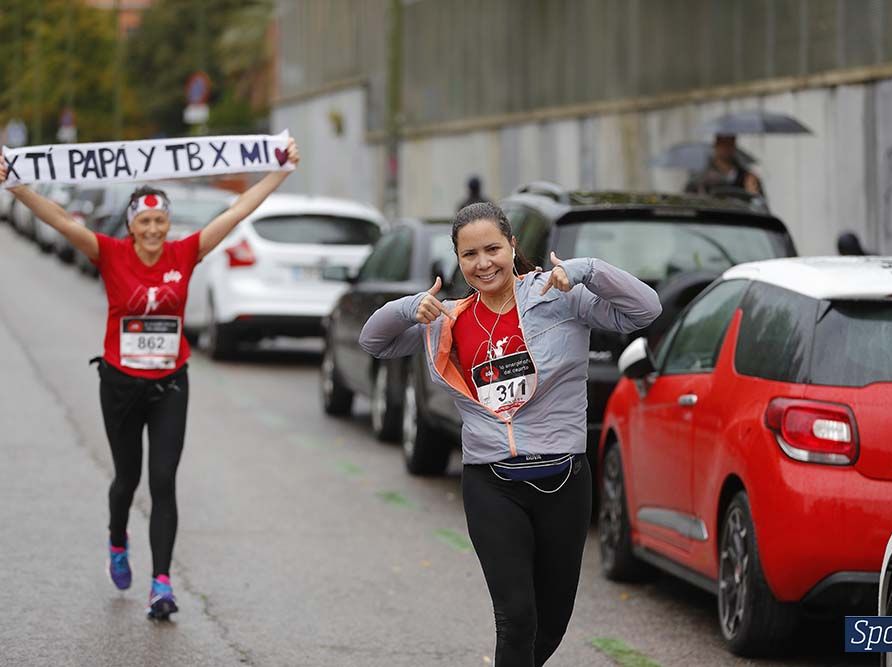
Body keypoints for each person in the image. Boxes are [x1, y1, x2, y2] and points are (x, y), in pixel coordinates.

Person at [0, 138, 299, 620]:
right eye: (146, 221)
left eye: (161, 220)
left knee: (163, 480)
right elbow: (57, 219)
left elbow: (238, 211)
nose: (155, 229)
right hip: (119, 383)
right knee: (127, 479)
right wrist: (15, 186)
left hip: (169, 385)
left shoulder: (186, 253)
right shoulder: (109, 253)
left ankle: (161, 583)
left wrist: (278, 174)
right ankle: (118, 540)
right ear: (131, 226)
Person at [359, 202, 660, 665]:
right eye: (470, 254)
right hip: (491, 483)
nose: (483, 263)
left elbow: (645, 309)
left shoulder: (560, 297)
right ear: (457, 260)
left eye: (493, 249)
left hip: (564, 482)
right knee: (516, 616)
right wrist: (407, 306)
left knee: (550, 624)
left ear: (513, 245)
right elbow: (373, 342)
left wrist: (586, 271)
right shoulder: (447, 319)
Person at [685, 133, 764, 198]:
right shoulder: (701, 178)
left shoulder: (747, 178)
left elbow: (761, 208)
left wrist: (753, 194)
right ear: (716, 145)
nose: (726, 148)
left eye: (730, 143)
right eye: (723, 143)